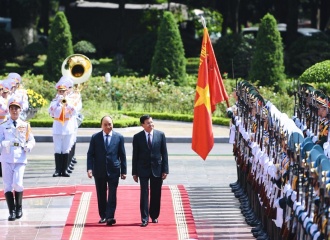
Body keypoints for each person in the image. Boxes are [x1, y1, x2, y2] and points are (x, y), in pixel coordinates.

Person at [87, 116, 127, 226]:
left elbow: (122, 155)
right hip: (99, 170)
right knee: (101, 194)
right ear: (101, 126)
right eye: (105, 124)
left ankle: (110, 216)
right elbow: (90, 154)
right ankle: (103, 216)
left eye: (110, 124)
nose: (108, 126)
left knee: (112, 194)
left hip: (114, 170)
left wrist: (124, 171)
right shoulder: (95, 137)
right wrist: (89, 168)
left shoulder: (119, 137)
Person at [0, 96, 35, 221]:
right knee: (8, 185)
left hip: (20, 157)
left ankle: (19, 207)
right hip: (6, 157)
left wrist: (28, 146)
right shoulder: (3, 125)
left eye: (17, 109)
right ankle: (12, 211)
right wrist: (2, 144)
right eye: (12, 109)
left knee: (18, 183)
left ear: (20, 110)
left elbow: (31, 140)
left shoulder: (25, 125)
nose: (14, 111)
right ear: (9, 110)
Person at [132, 115, 169, 227]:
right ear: (142, 125)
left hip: (157, 169)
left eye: (151, 122)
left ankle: (154, 216)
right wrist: (134, 172)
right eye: (148, 123)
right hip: (142, 169)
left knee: (156, 193)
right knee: (144, 193)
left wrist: (165, 170)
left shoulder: (160, 135)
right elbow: (135, 155)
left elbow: (164, 153)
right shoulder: (137, 137)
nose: (151, 124)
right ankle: (144, 218)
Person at [48, 76, 77, 177]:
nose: (61, 93)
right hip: (57, 127)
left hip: (67, 128)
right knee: (57, 149)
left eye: (63, 91)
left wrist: (66, 103)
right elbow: (50, 112)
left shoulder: (70, 101)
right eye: (60, 91)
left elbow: (74, 112)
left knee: (66, 149)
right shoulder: (54, 101)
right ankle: (57, 170)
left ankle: (64, 170)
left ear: (66, 91)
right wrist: (57, 103)